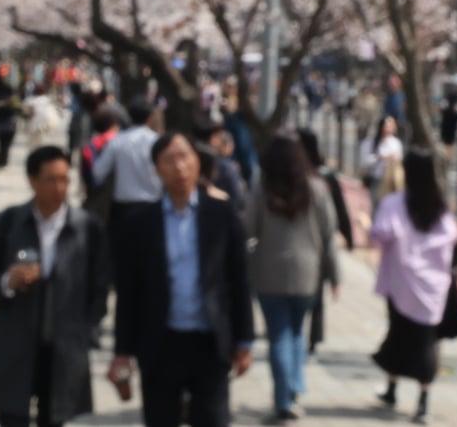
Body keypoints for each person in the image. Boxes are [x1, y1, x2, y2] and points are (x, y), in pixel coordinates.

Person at [111, 133, 254, 427]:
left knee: (213, 419)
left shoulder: (221, 214)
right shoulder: (140, 223)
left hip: (210, 341)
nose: (179, 167)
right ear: (156, 169)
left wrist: (244, 340)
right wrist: (122, 351)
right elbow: (129, 292)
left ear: (198, 162)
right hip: (160, 341)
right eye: (169, 160)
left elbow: (238, 279)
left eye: (185, 157)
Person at [0, 146, 108, 427]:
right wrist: (7, 281)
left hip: (63, 348)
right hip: (15, 345)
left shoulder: (86, 228)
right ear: (32, 181)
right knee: (11, 417)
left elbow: (100, 286)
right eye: (51, 179)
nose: (59, 188)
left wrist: (88, 331)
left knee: (56, 417)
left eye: (64, 179)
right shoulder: (9, 223)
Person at [244, 135, 340, 422]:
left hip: (269, 273)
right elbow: (329, 235)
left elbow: (248, 228)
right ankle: (295, 387)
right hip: (308, 273)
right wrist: (335, 275)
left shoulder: (262, 190)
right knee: (298, 331)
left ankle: (283, 397)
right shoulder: (318, 189)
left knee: (279, 336)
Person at [370, 148, 457, 425]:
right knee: (426, 343)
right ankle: (423, 402)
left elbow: (381, 232)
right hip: (433, 288)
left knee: (398, 334)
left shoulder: (395, 203)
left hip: (400, 285)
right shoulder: (440, 208)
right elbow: (451, 239)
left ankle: (392, 388)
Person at [297, 129, 354, 355]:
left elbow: (339, 208)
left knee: (316, 290)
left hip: (315, 239)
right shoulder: (317, 175)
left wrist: (348, 236)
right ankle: (312, 337)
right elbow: (340, 210)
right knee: (316, 291)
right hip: (318, 241)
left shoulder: (320, 176)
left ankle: (311, 336)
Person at [92, 98, 162, 245]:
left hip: (123, 210)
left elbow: (98, 173)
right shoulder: (157, 141)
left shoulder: (117, 141)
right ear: (150, 117)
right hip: (153, 207)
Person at [359, 116, 405, 205]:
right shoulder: (371, 142)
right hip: (376, 179)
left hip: (391, 181)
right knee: (376, 204)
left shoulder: (396, 143)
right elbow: (365, 161)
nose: (390, 128)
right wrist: (380, 157)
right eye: (387, 125)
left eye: (392, 125)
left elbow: (399, 161)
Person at [0, 69, 23, 170]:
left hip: (2, 121)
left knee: (2, 144)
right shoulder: (10, 91)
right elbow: (18, 108)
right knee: (6, 144)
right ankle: (3, 162)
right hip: (9, 122)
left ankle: (1, 162)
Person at [438, 95, 457, 160]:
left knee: (447, 147)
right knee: (449, 147)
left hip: (447, 131)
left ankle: (447, 159)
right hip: (451, 132)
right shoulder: (454, 111)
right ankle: (448, 158)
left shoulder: (446, 110)